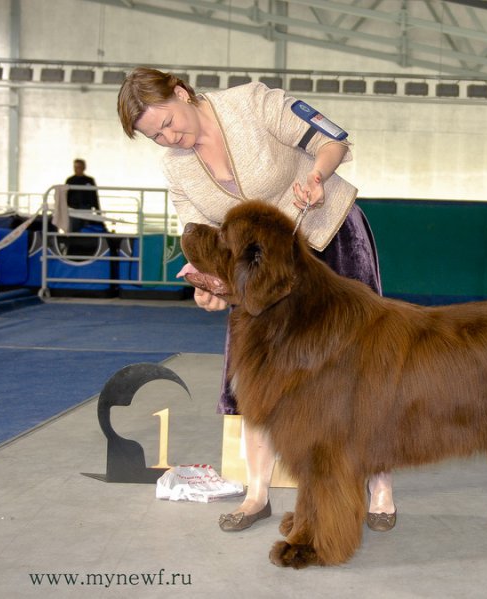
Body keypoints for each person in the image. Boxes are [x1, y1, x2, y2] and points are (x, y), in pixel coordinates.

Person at [117, 67, 396, 533]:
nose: (169, 138)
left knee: (365, 367)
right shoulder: (176, 167)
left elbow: (332, 139)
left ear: (181, 93)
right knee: (254, 376)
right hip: (260, 274)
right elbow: (195, 233)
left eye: (167, 122)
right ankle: (256, 494)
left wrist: (317, 175)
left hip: (328, 239)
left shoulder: (250, 102)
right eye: (156, 137)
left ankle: (381, 487)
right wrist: (206, 283)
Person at [65, 159, 105, 233]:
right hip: (73, 209)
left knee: (85, 228)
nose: (77, 169)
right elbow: (65, 197)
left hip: (86, 208)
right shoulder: (70, 180)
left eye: (79, 167)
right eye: (75, 167)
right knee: (73, 229)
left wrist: (98, 211)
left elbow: (94, 196)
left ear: (84, 168)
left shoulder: (89, 180)